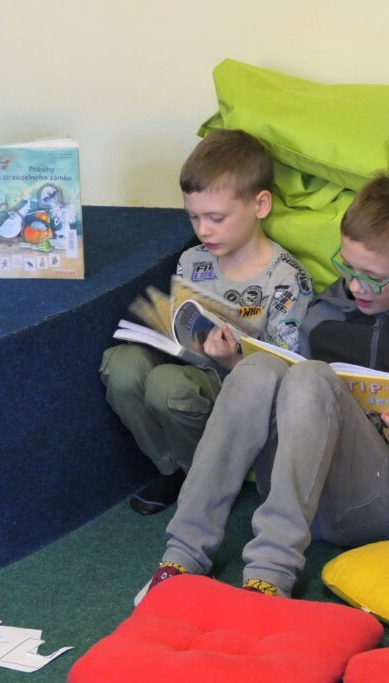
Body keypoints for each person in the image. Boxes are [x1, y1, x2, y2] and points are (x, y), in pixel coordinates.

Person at [136, 171, 389, 601]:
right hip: (294, 490)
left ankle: (269, 577)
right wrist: (232, 364)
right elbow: (280, 404)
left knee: (312, 376)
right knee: (258, 368)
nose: (355, 286)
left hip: (380, 500)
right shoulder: (325, 310)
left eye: (372, 277)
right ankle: (182, 557)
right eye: (347, 267)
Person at [100, 129, 313, 516]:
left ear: (260, 204)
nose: (203, 230)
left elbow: (289, 373)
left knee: (167, 386)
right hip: (189, 368)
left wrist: (232, 359)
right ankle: (174, 469)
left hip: (241, 388)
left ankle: (209, 482)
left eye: (216, 218)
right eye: (194, 217)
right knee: (121, 365)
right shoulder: (192, 260)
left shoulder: (285, 279)